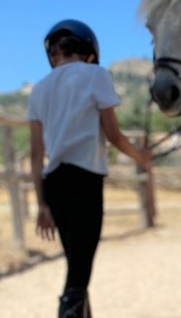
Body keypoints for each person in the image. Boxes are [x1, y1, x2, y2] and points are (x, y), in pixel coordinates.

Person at [28, 19, 151, 318]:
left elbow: (35, 153)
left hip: (53, 183)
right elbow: (113, 135)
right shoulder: (96, 75)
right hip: (85, 180)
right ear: (90, 53)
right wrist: (140, 156)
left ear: (53, 56)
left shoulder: (38, 89)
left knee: (76, 267)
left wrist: (42, 203)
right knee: (79, 276)